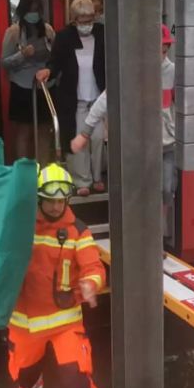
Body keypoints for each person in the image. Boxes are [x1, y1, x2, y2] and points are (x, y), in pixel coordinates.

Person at [0, 163, 106, 388]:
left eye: (61, 201)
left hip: (65, 322)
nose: (56, 206)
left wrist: (90, 284)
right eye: (50, 201)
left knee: (77, 382)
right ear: (39, 199)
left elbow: (94, 267)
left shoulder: (78, 231)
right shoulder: (20, 227)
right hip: (25, 325)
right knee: (27, 381)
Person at [70, 24, 178, 247]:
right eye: (157, 49)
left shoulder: (173, 72)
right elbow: (103, 102)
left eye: (165, 50)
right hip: (140, 146)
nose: (161, 55)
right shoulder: (131, 73)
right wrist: (85, 133)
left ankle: (159, 234)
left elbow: (186, 105)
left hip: (167, 144)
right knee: (143, 191)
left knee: (166, 189)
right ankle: (145, 238)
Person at [36, 0, 106, 197]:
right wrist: (48, 71)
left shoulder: (101, 33)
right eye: (83, 20)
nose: (87, 25)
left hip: (98, 96)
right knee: (78, 138)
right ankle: (82, 180)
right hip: (74, 98)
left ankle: (97, 177)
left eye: (90, 19)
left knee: (99, 138)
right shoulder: (65, 36)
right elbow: (54, 61)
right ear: (74, 19)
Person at [2, 0, 56, 164]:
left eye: (37, 10)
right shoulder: (13, 32)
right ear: (23, 11)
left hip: (45, 87)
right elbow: (5, 62)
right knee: (23, 131)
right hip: (22, 86)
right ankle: (23, 171)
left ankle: (43, 170)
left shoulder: (48, 30)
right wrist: (22, 55)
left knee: (44, 130)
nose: (34, 14)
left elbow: (56, 57)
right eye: (31, 10)